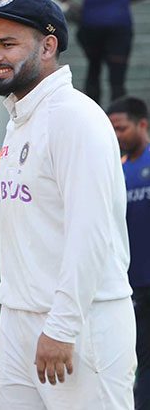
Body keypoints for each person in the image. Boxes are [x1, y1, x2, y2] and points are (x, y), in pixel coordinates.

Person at [0, 0, 136, 409]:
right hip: (19, 319)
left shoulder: (76, 118)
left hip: (81, 323)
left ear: (48, 45)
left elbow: (90, 233)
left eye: (8, 44)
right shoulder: (21, 120)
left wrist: (61, 327)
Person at [107, 95, 150, 409]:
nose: (116, 136)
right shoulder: (117, 169)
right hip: (130, 283)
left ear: (143, 125)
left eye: (121, 129)